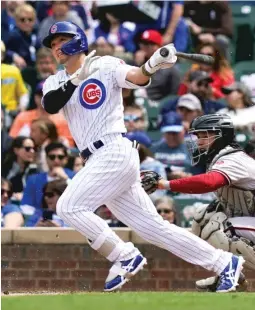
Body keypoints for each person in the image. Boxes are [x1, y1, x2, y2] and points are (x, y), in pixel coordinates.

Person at [41, 21, 244, 293]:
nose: (56, 48)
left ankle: (123, 255)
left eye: (61, 41)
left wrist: (153, 64)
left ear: (77, 40)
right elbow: (51, 105)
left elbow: (138, 77)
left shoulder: (106, 65)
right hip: (97, 159)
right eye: (53, 44)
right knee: (154, 228)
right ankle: (224, 262)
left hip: (114, 149)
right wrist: (76, 79)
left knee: (68, 206)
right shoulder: (55, 80)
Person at [141, 114, 254, 291]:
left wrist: (165, 184)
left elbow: (210, 182)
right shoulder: (222, 157)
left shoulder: (233, 159)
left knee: (220, 227)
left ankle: (230, 272)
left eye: (204, 135)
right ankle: (229, 274)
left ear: (221, 135)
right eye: (198, 136)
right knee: (204, 216)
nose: (199, 141)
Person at [9, 81, 74, 147]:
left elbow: (69, 146)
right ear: (35, 97)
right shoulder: (23, 116)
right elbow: (13, 141)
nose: (43, 97)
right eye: (40, 94)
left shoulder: (63, 120)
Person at [20, 142, 75, 211]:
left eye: (60, 157)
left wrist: (66, 179)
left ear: (66, 159)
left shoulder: (75, 176)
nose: (56, 160)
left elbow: (80, 198)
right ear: (46, 159)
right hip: (41, 218)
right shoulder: (33, 180)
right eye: (52, 157)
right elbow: (26, 206)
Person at [135, 30, 181, 101]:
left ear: (159, 47)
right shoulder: (136, 62)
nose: (144, 47)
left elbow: (173, 95)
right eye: (142, 43)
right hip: (135, 102)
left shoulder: (170, 68)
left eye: (149, 44)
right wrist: (137, 65)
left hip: (155, 105)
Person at [5, 3, 41, 69]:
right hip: (17, 68)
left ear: (34, 20)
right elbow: (5, 50)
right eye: (22, 19)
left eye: (30, 19)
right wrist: (14, 56)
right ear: (16, 21)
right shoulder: (13, 36)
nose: (26, 22)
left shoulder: (36, 37)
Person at [1, 41, 29, 113]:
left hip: (11, 112)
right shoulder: (13, 70)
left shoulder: (13, 71)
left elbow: (23, 93)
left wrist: (21, 110)